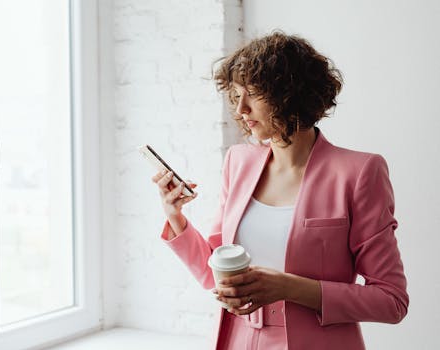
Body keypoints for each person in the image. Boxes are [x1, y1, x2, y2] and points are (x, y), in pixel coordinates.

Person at [151, 31, 409, 350]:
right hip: (238, 341)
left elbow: (391, 300)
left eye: (254, 93)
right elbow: (212, 273)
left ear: (291, 94)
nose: (240, 109)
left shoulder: (358, 173)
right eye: (236, 95)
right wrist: (174, 216)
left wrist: (288, 287)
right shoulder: (238, 162)